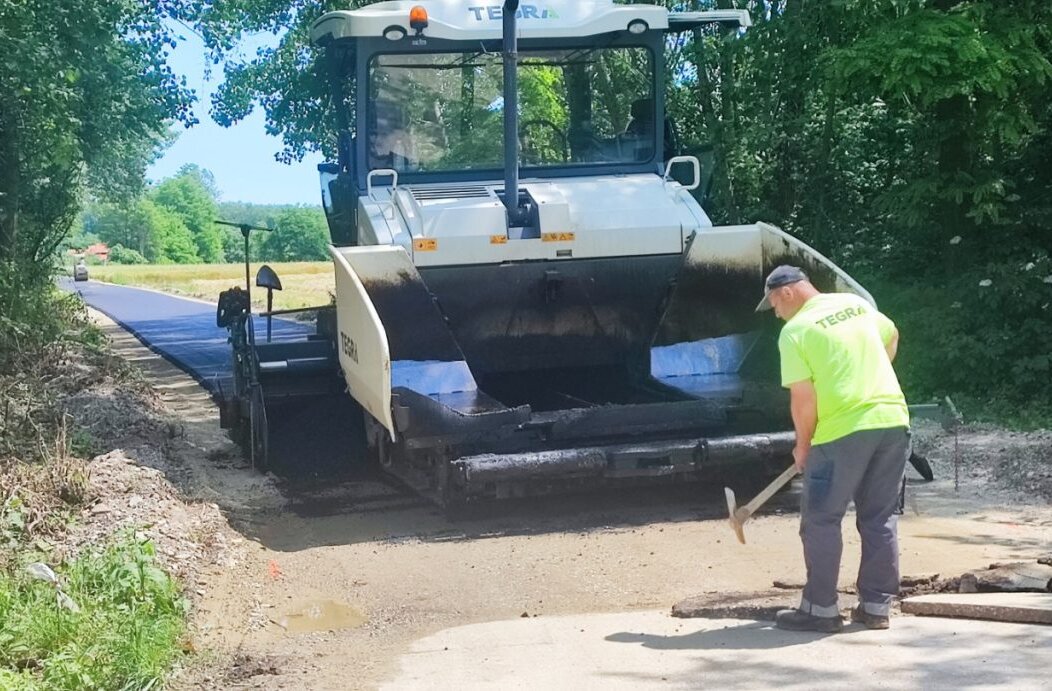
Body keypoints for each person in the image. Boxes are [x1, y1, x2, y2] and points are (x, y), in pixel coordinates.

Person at [756, 265, 910, 633]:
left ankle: (820, 609)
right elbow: (892, 334)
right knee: (879, 518)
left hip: (842, 430)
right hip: (892, 421)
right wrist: (870, 374)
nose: (775, 313)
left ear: (788, 293)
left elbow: (803, 400)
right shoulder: (854, 304)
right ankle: (875, 607)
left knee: (821, 519)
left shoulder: (795, 332)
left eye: (774, 304)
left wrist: (803, 446)